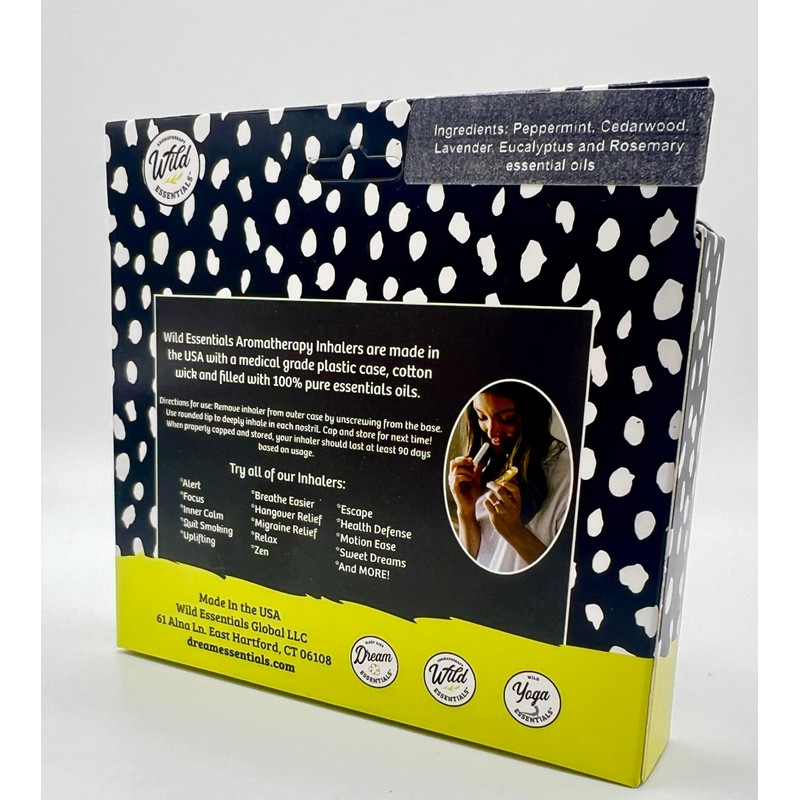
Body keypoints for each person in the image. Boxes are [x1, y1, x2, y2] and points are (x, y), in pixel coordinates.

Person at [447, 381, 570, 573]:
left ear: (533, 415)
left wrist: (514, 531)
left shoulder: (567, 476)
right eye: (482, 417)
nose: (491, 432)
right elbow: (470, 561)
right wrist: (466, 511)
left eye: (507, 419)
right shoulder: (489, 465)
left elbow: (561, 574)